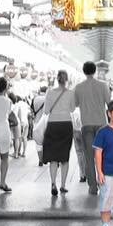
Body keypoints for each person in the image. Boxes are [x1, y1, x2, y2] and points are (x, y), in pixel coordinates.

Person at [74, 60, 111, 195]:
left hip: (87, 125)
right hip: (101, 125)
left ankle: (92, 187)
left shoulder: (78, 87)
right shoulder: (103, 86)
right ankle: (103, 183)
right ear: (95, 71)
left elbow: (75, 104)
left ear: (84, 71)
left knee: (89, 157)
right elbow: (109, 103)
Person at [42, 69, 76, 197]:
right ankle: (62, 185)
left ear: (57, 79)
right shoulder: (71, 93)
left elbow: (45, 111)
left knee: (53, 157)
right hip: (66, 124)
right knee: (64, 156)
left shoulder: (50, 92)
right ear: (66, 80)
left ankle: (53, 183)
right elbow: (72, 109)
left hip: (53, 124)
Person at [12, 94, 31, 158]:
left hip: (21, 122)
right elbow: (29, 113)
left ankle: (17, 152)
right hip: (26, 121)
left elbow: (17, 114)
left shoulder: (17, 105)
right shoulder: (26, 104)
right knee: (25, 138)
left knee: (18, 138)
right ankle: (24, 152)